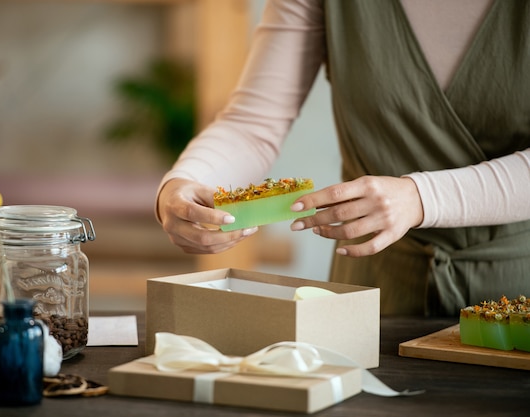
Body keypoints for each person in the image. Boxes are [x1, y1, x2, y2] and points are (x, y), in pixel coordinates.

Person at [155, 0, 530, 316]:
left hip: (517, 285)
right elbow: (254, 121)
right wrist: (183, 182)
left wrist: (421, 197)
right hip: (374, 289)